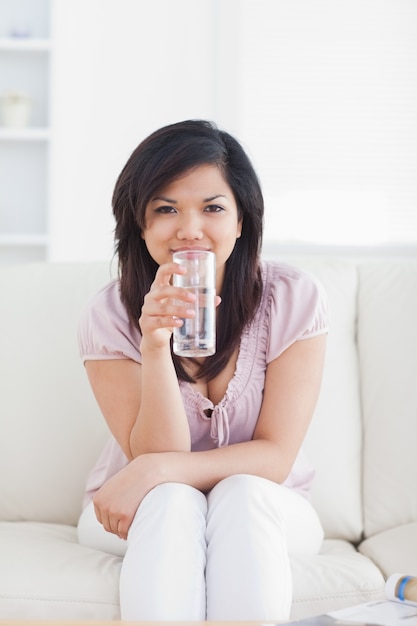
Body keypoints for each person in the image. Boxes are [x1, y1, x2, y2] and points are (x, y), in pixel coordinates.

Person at [77, 119, 329, 621]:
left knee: (243, 490)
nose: (189, 228)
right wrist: (154, 346)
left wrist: (154, 469)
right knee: (172, 502)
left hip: (268, 503)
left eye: (212, 208)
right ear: (140, 225)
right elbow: (153, 463)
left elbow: (274, 459)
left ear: (241, 221)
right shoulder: (108, 314)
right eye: (165, 209)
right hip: (138, 505)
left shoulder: (292, 298)